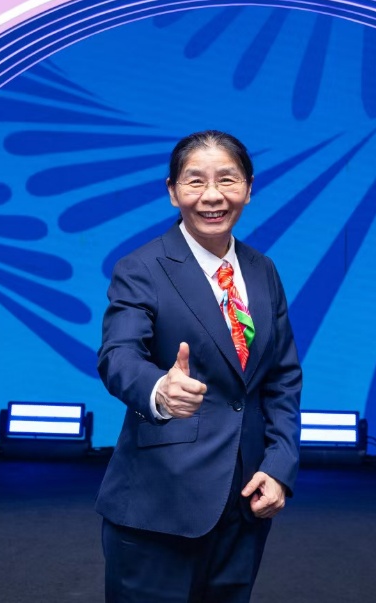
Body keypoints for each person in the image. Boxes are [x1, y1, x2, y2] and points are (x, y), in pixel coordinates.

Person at [96, 129, 302, 602]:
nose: (212, 196)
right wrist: (159, 390)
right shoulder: (142, 267)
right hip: (160, 504)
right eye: (195, 181)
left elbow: (282, 377)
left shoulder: (263, 270)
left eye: (227, 180)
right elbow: (118, 355)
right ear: (173, 192)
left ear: (248, 188)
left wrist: (279, 465)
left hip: (245, 502)